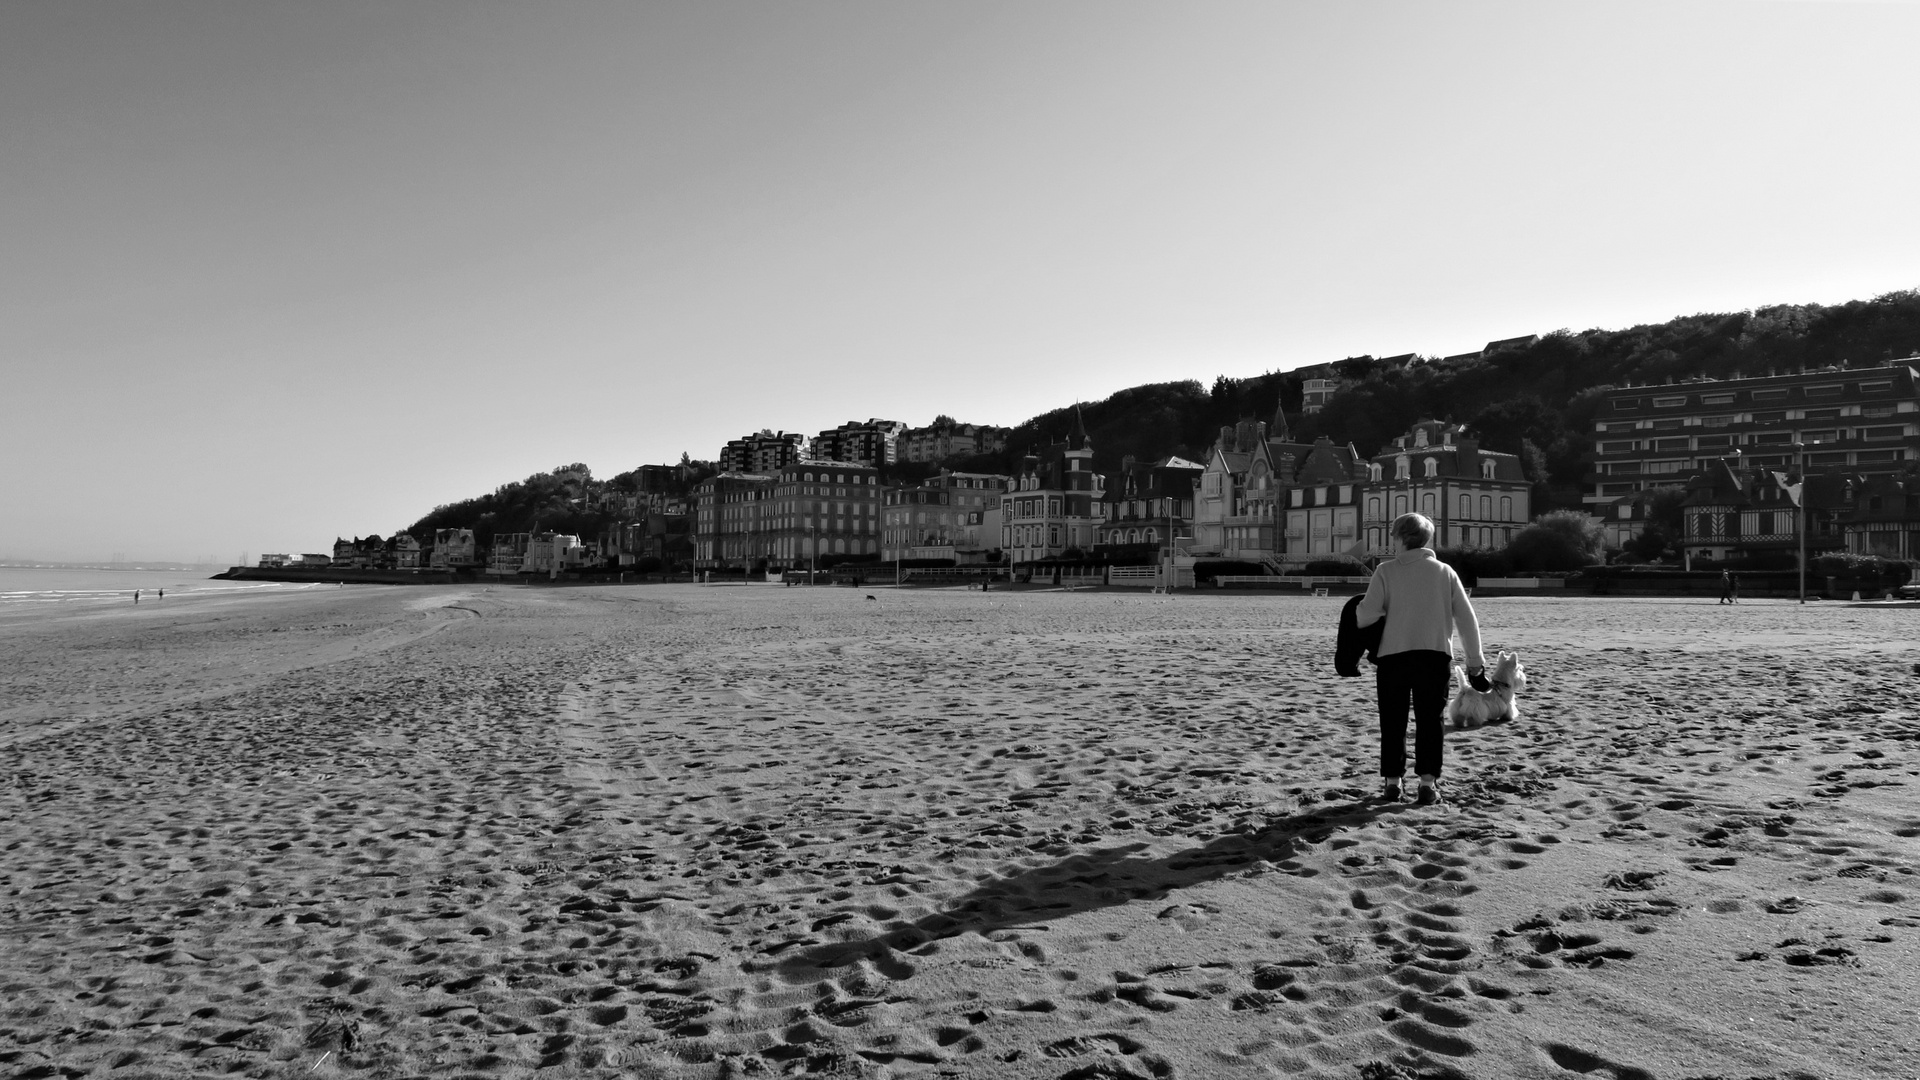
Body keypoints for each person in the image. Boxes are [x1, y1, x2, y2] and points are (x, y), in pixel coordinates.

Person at [1354, 512, 1485, 806]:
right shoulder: (1445, 572)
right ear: (1426, 539)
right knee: (1430, 721)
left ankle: (1392, 782)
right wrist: (1475, 663)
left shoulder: (1385, 571)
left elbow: (1365, 617)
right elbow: (1467, 621)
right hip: (1434, 656)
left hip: (1393, 657)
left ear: (1399, 538)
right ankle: (1427, 783)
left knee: (1392, 721)